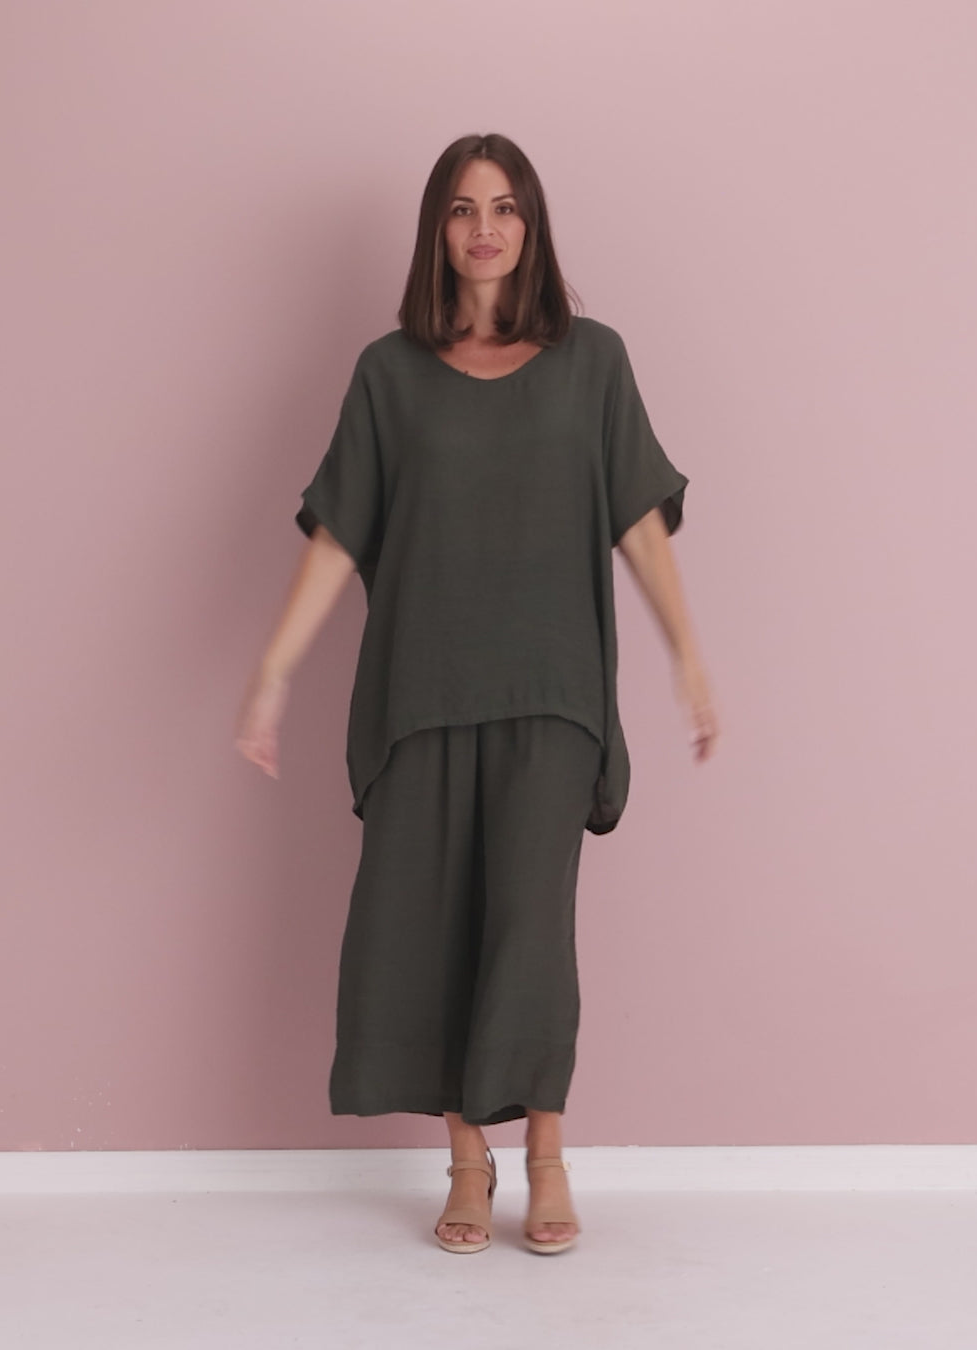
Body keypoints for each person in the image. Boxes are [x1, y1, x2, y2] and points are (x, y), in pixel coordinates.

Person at [235, 133, 719, 1256]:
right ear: (438, 231)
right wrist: (272, 671)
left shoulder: (593, 362)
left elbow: (638, 521)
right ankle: (466, 1163)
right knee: (432, 927)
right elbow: (338, 532)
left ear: (531, 226)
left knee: (530, 930)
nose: (485, 228)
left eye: (504, 207)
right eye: (463, 208)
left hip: (553, 689)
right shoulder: (388, 374)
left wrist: (687, 652)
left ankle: (546, 1157)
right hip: (422, 689)